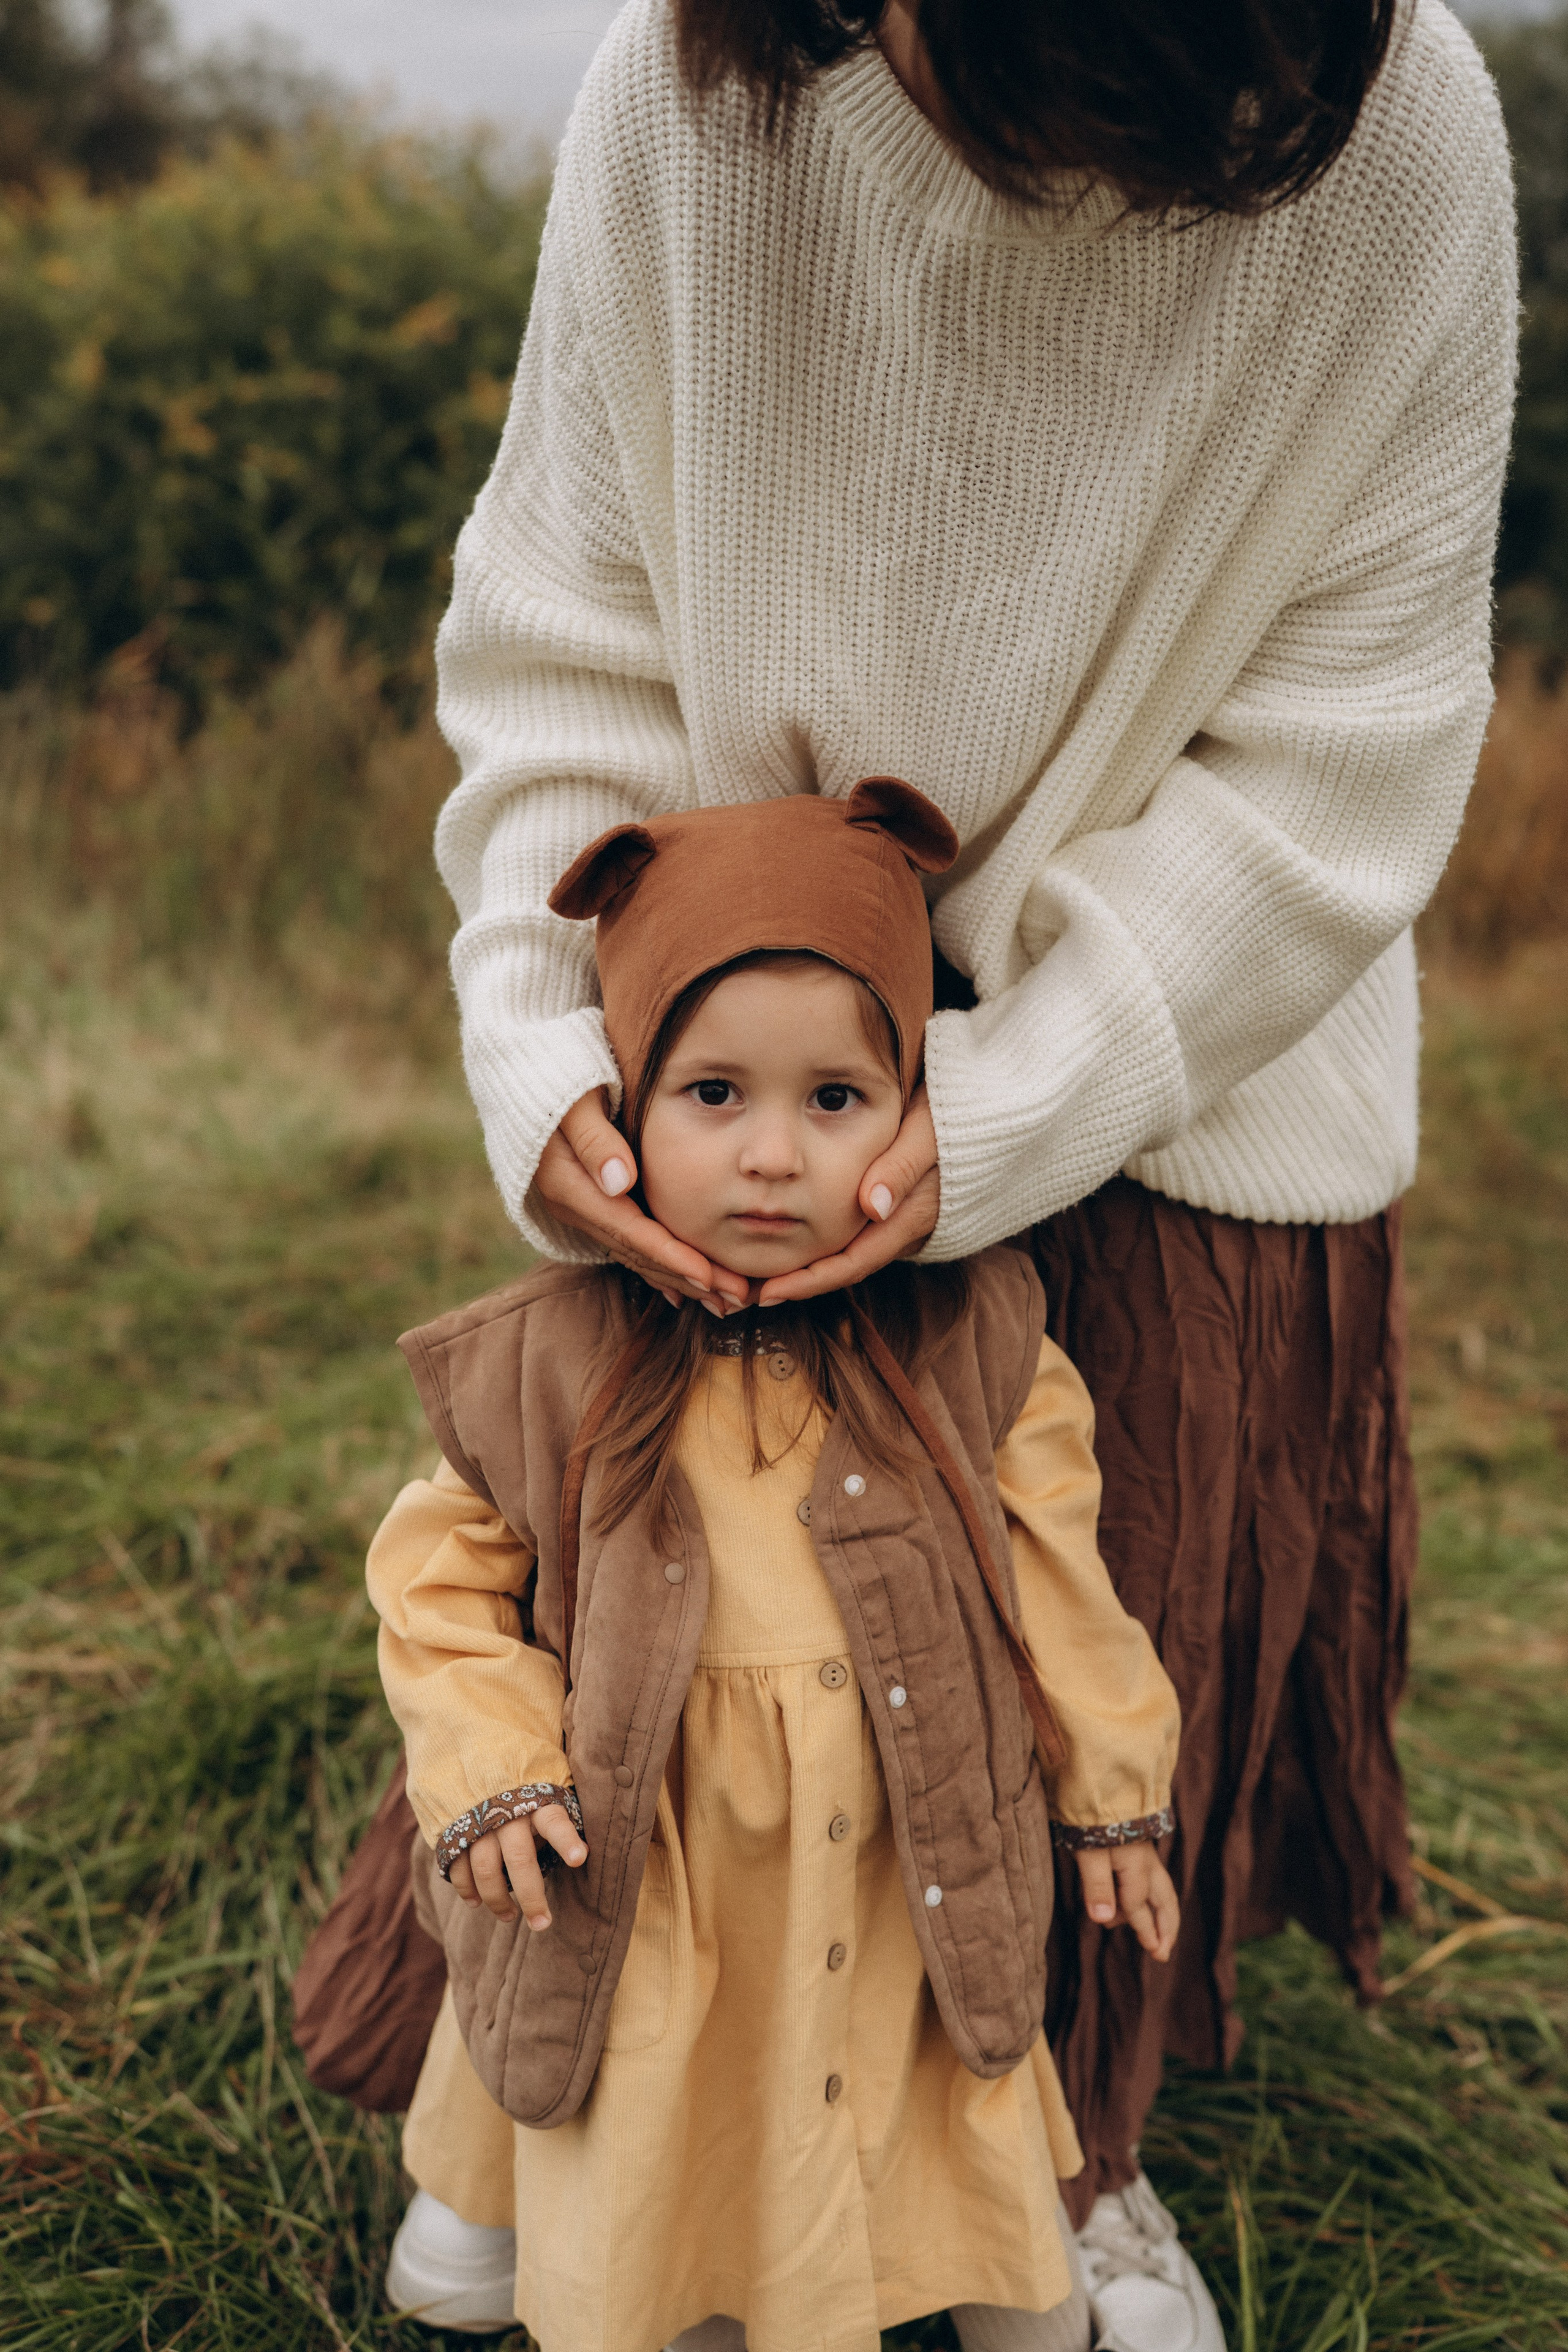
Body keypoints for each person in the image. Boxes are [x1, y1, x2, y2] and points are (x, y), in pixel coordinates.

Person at [428, 0, 1515, 2334]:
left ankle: (1062, 2154)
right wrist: (554, 1049)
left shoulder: (1403, 129)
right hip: (736, 1059)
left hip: (1190, 1080)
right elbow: (567, 636)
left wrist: (1018, 1103)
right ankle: (572, 2109)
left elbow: (1349, 744)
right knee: (669, 1640)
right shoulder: (686, 101)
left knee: (1076, 1649)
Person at [368, 785, 1183, 2351]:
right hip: (658, 1869)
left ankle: (965, 2281)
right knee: (667, 2102)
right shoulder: (552, 1360)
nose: (767, 1156)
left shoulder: (969, 1340)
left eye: (832, 1099)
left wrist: (1111, 1784)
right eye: (712, 1093)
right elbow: (436, 1586)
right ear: (618, 1103)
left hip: (891, 1851)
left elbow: (1057, 1578)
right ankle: (603, 2260)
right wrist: (492, 1767)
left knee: (898, 2064)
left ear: (913, 1108)